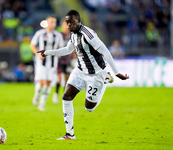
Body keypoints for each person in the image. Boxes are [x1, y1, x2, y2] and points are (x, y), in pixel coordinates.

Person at [38, 10, 129, 140]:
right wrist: (48, 52)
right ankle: (70, 134)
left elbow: (106, 53)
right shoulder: (73, 34)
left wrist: (117, 73)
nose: (69, 25)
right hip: (80, 71)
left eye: (72, 22)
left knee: (89, 108)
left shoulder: (88, 35)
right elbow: (68, 49)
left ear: (78, 21)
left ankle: (106, 78)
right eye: (67, 22)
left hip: (96, 74)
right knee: (66, 96)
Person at [30, 16, 64, 111]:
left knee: (48, 83)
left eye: (55, 22)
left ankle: (42, 104)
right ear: (47, 23)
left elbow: (61, 47)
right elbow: (32, 44)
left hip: (53, 63)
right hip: (41, 62)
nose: (53, 24)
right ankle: (36, 95)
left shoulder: (58, 35)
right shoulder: (40, 33)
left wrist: (59, 53)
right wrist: (37, 54)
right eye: (51, 22)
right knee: (41, 82)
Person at [52, 19, 76, 104]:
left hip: (68, 60)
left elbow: (73, 48)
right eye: (65, 24)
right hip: (59, 60)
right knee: (59, 79)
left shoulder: (72, 35)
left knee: (67, 79)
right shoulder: (59, 35)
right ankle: (56, 94)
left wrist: (73, 58)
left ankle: (65, 95)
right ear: (62, 25)